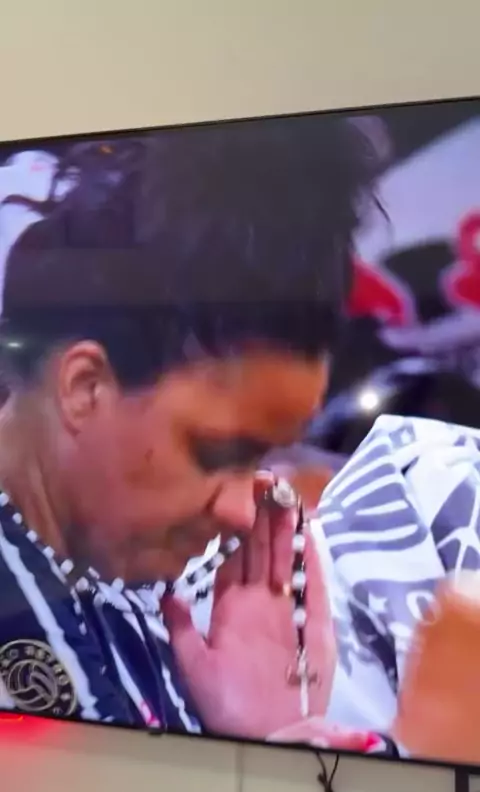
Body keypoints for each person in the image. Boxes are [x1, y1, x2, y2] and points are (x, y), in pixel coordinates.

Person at [0, 116, 382, 742]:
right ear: (85, 388)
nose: (241, 510)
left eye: (264, 456)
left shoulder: (115, 569)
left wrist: (261, 735)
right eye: (215, 452)